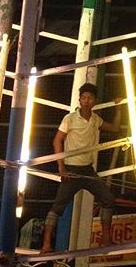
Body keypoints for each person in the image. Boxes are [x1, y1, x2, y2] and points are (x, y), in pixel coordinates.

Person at [41, 83, 122, 253]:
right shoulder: (70, 118)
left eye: (90, 98)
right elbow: (57, 140)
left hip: (88, 170)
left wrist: (119, 109)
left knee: (108, 199)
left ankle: (106, 240)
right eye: (83, 98)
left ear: (95, 101)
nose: (86, 101)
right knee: (58, 207)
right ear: (79, 100)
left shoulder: (95, 119)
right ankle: (46, 245)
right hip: (71, 170)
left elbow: (114, 128)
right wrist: (61, 167)